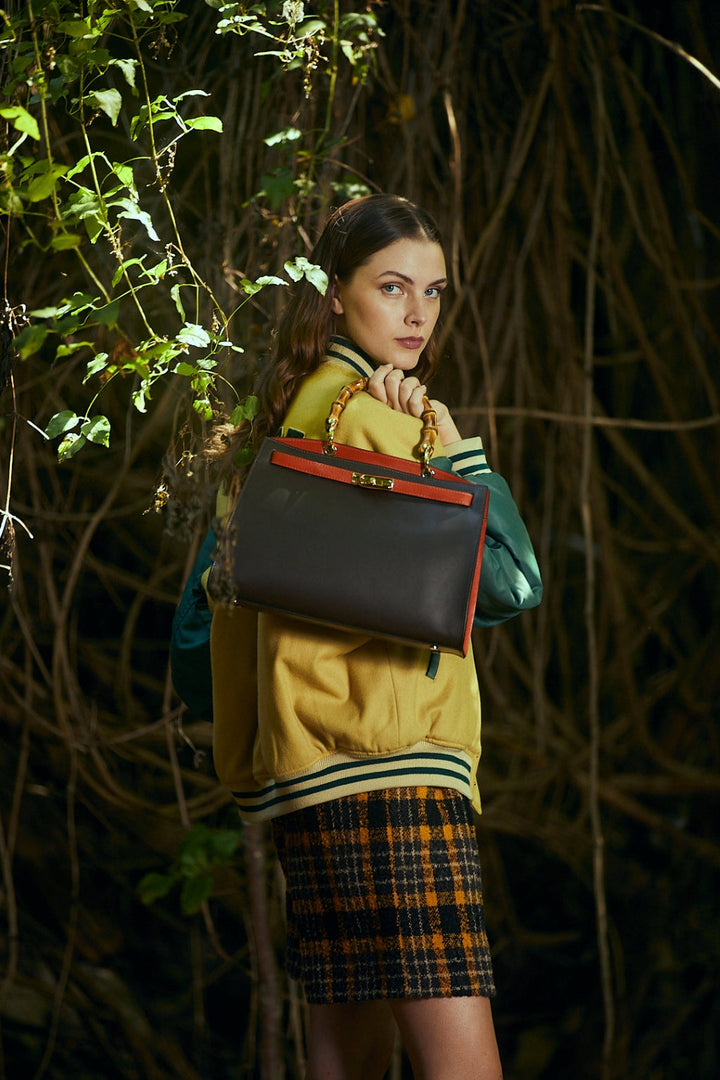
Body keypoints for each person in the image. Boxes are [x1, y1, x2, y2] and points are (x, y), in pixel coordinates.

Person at [207, 194, 542, 1080]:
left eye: (433, 292)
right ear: (333, 297)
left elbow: (204, 624)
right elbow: (513, 581)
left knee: (349, 1054)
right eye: (392, 288)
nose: (418, 314)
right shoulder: (386, 420)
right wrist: (451, 440)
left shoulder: (272, 427)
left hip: (305, 775)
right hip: (394, 767)